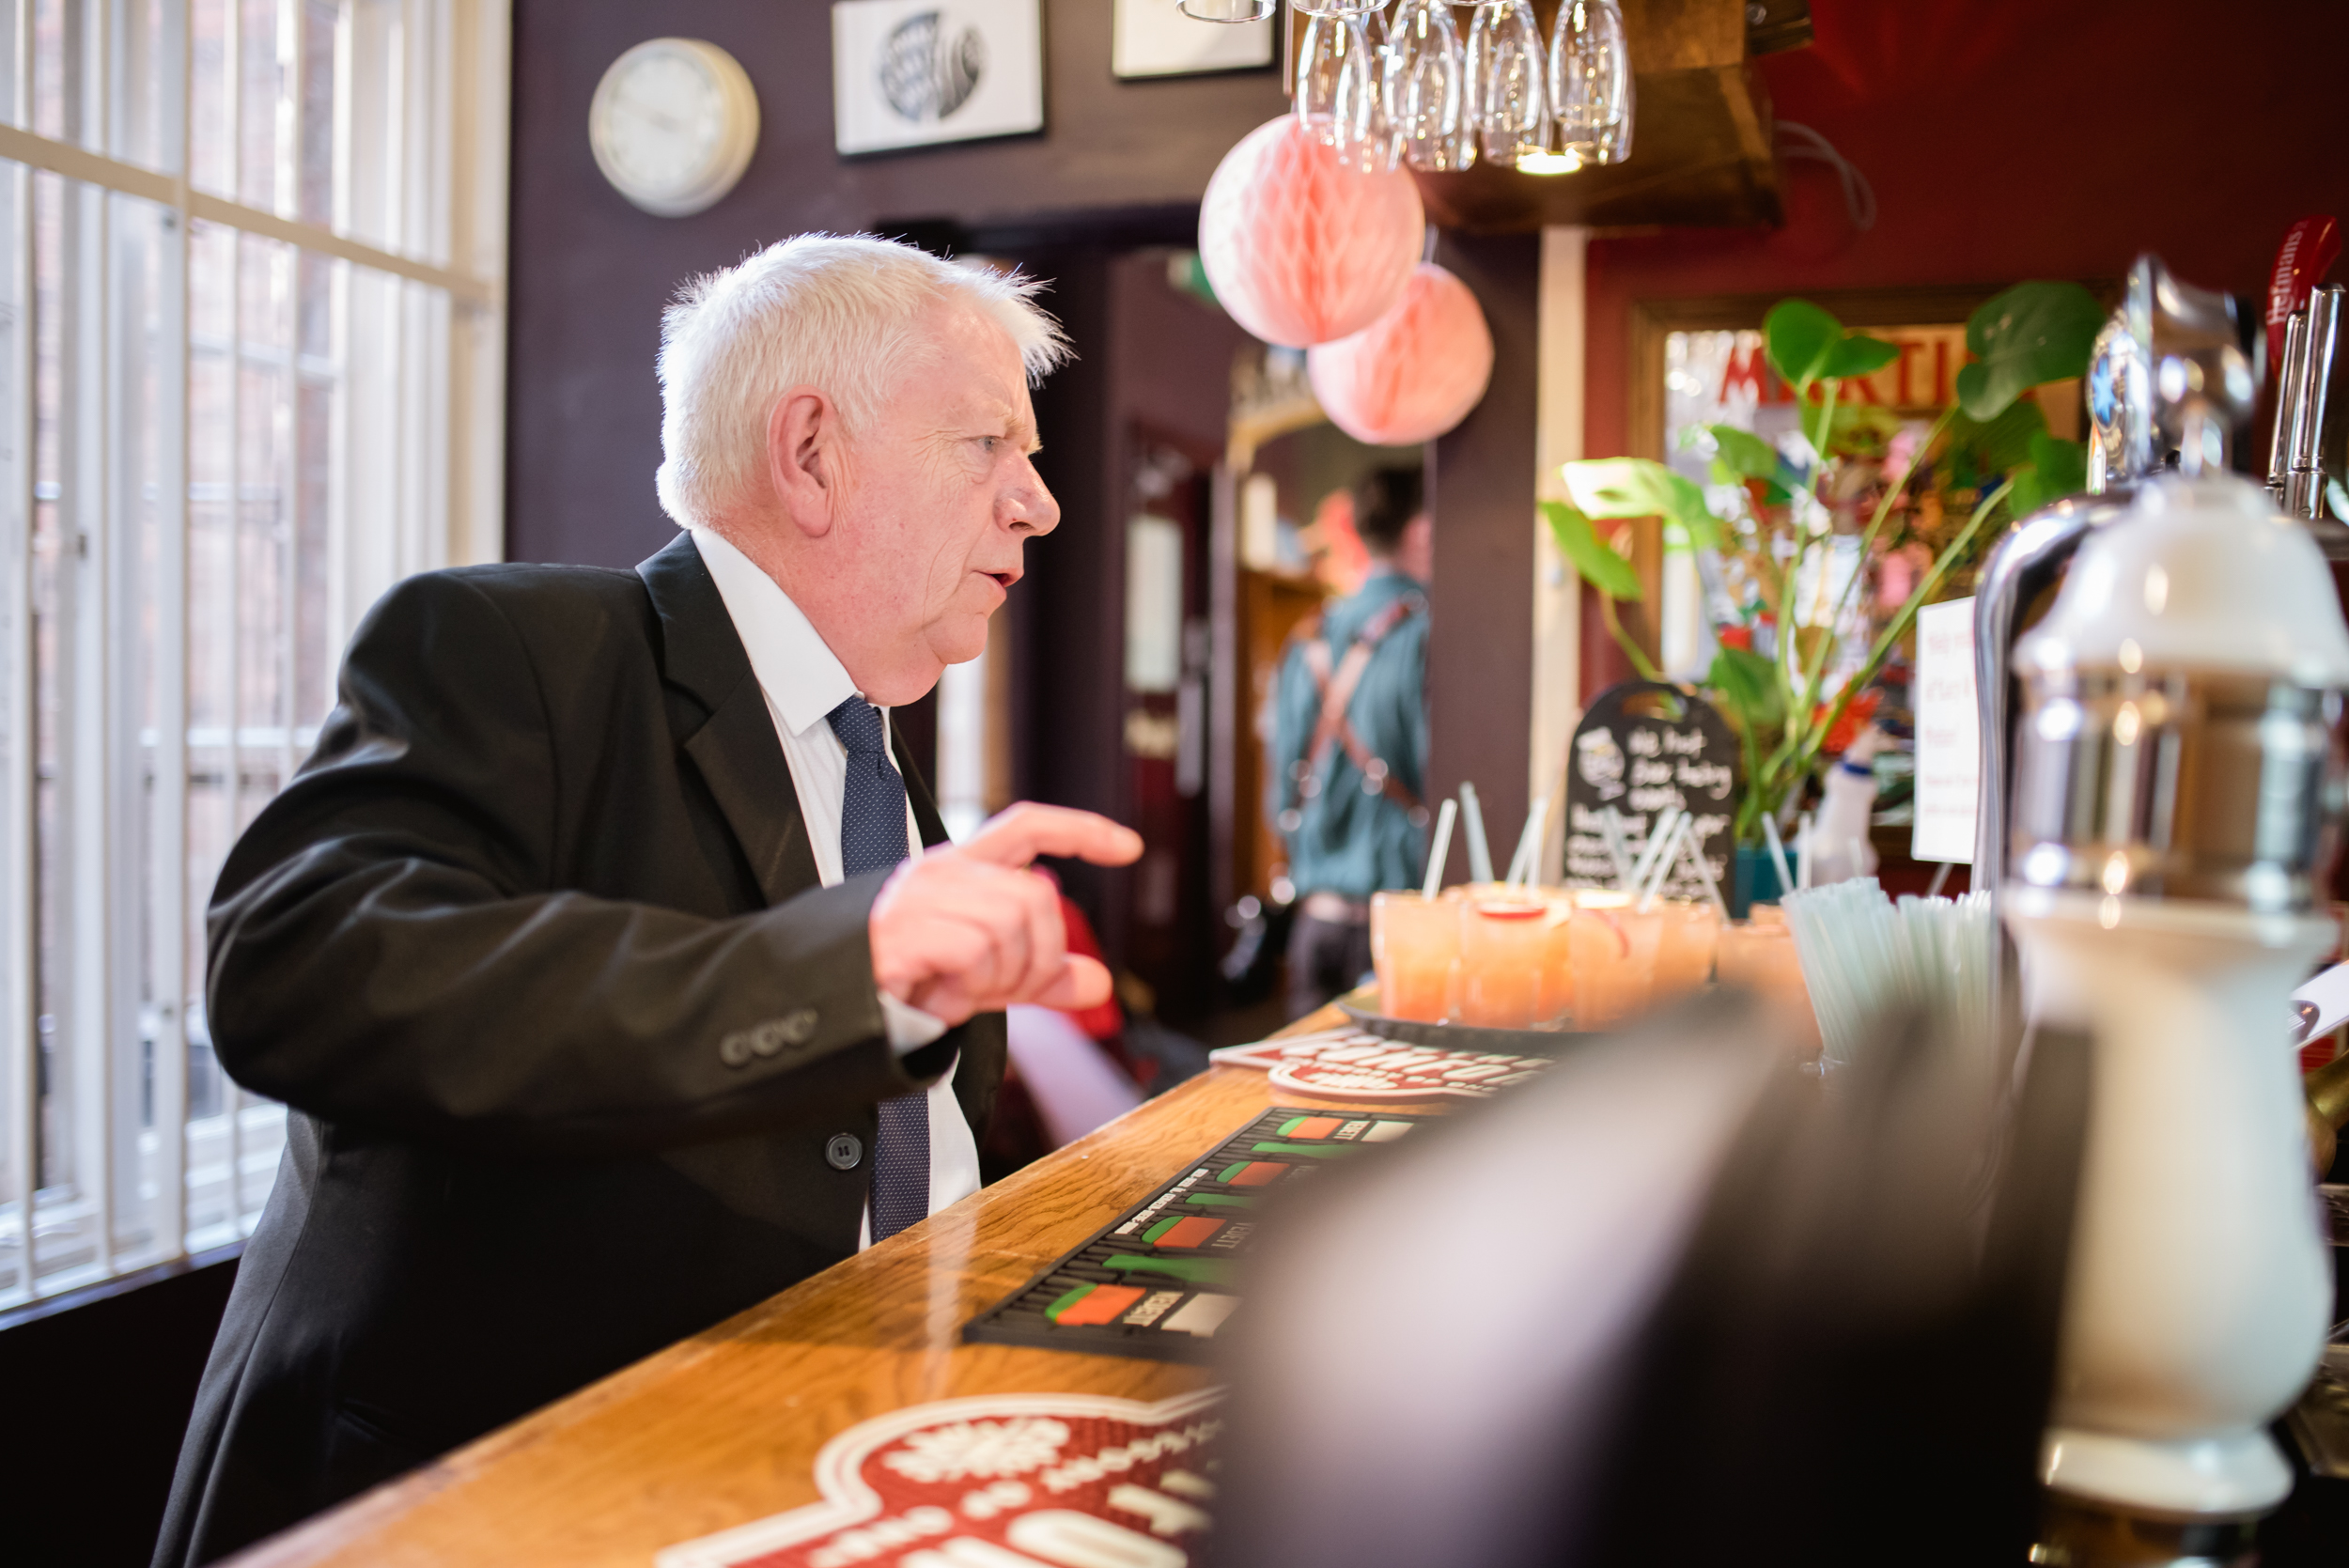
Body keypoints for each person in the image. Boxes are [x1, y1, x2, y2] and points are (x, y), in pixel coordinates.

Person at [151, 235, 1142, 1567]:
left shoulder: (883, 757)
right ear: (810, 454)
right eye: (989, 447)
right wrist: (844, 969)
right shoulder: (513, 652)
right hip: (485, 1515)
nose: (1041, 504)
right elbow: (293, 966)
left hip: (832, 1476)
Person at [1268, 467, 1432, 1019]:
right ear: (1422, 531)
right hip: (1401, 934)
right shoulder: (1427, 633)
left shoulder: (1309, 638)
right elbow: (1444, 778)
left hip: (1315, 928)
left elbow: (1280, 790)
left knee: (1305, 1101)